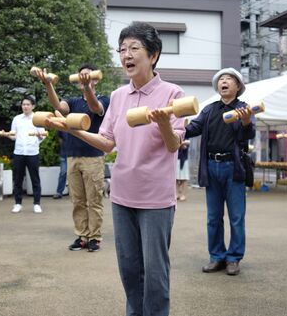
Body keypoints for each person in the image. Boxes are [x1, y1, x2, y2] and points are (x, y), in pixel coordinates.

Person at [44, 22, 184, 316]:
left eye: (134, 48)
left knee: (156, 275)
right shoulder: (119, 96)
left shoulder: (173, 93)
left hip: (156, 199)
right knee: (130, 272)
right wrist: (73, 130)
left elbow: (174, 145)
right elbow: (107, 142)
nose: (126, 55)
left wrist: (162, 123)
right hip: (122, 196)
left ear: (154, 55)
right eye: (122, 50)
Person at [185, 67, 255, 276]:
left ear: (238, 86)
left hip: (233, 167)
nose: (224, 82)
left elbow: (248, 135)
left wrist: (245, 121)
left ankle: (233, 258)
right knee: (213, 217)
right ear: (218, 86)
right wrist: (174, 122)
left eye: (229, 79)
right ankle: (216, 256)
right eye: (221, 79)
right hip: (211, 166)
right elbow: (192, 128)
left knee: (236, 216)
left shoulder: (244, 108)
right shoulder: (209, 109)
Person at [35, 63, 109, 252]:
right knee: (77, 200)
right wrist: (48, 84)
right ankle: (82, 235)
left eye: (88, 75)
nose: (84, 78)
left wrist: (87, 88)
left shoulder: (103, 100)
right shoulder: (74, 101)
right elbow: (57, 105)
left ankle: (95, 237)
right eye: (81, 76)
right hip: (72, 156)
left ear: (95, 79)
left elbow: (94, 107)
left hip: (93, 157)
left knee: (94, 200)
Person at [2, 95, 46, 214]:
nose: (25, 106)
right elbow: (13, 135)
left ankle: (37, 204)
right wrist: (6, 135)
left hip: (33, 152)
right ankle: (17, 203)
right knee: (18, 179)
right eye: (23, 104)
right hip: (19, 152)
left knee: (35, 179)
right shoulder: (17, 119)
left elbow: (43, 136)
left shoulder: (37, 118)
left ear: (33, 106)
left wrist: (39, 136)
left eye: (28, 104)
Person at [53, 130, 68, 199]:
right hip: (64, 153)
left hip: (75, 154)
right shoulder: (62, 125)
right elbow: (60, 138)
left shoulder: (76, 123)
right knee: (63, 172)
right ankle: (59, 192)